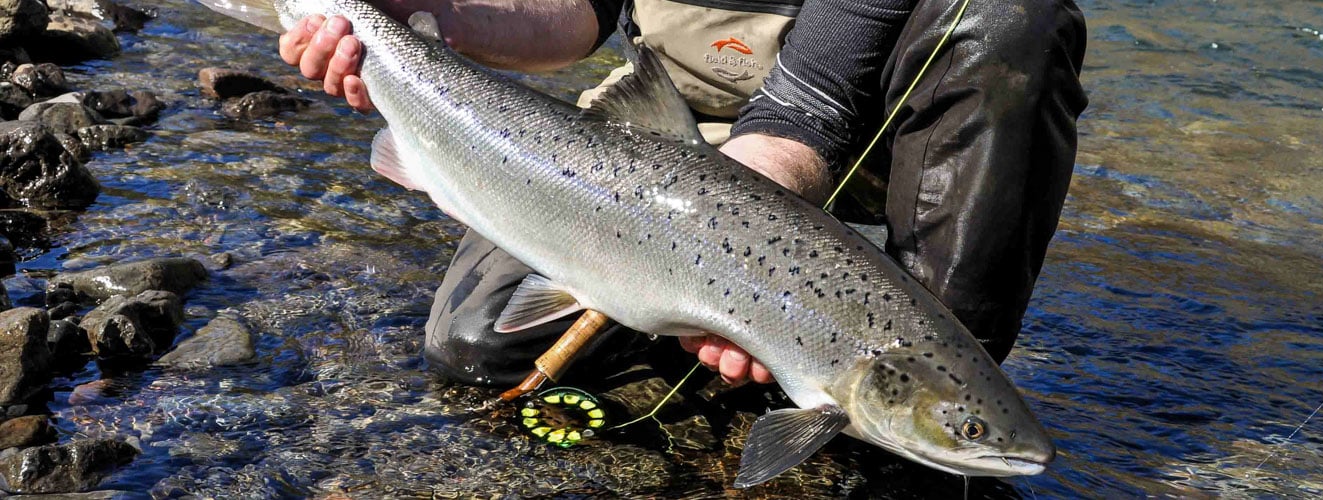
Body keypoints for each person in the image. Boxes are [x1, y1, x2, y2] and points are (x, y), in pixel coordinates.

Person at [279, 0, 1087, 388]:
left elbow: (811, 107)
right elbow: (577, 10)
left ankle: (930, 387)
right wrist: (419, 18)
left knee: (1015, 16)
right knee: (478, 344)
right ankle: (746, 358)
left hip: (868, 121)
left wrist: (738, 258)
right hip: (670, 124)